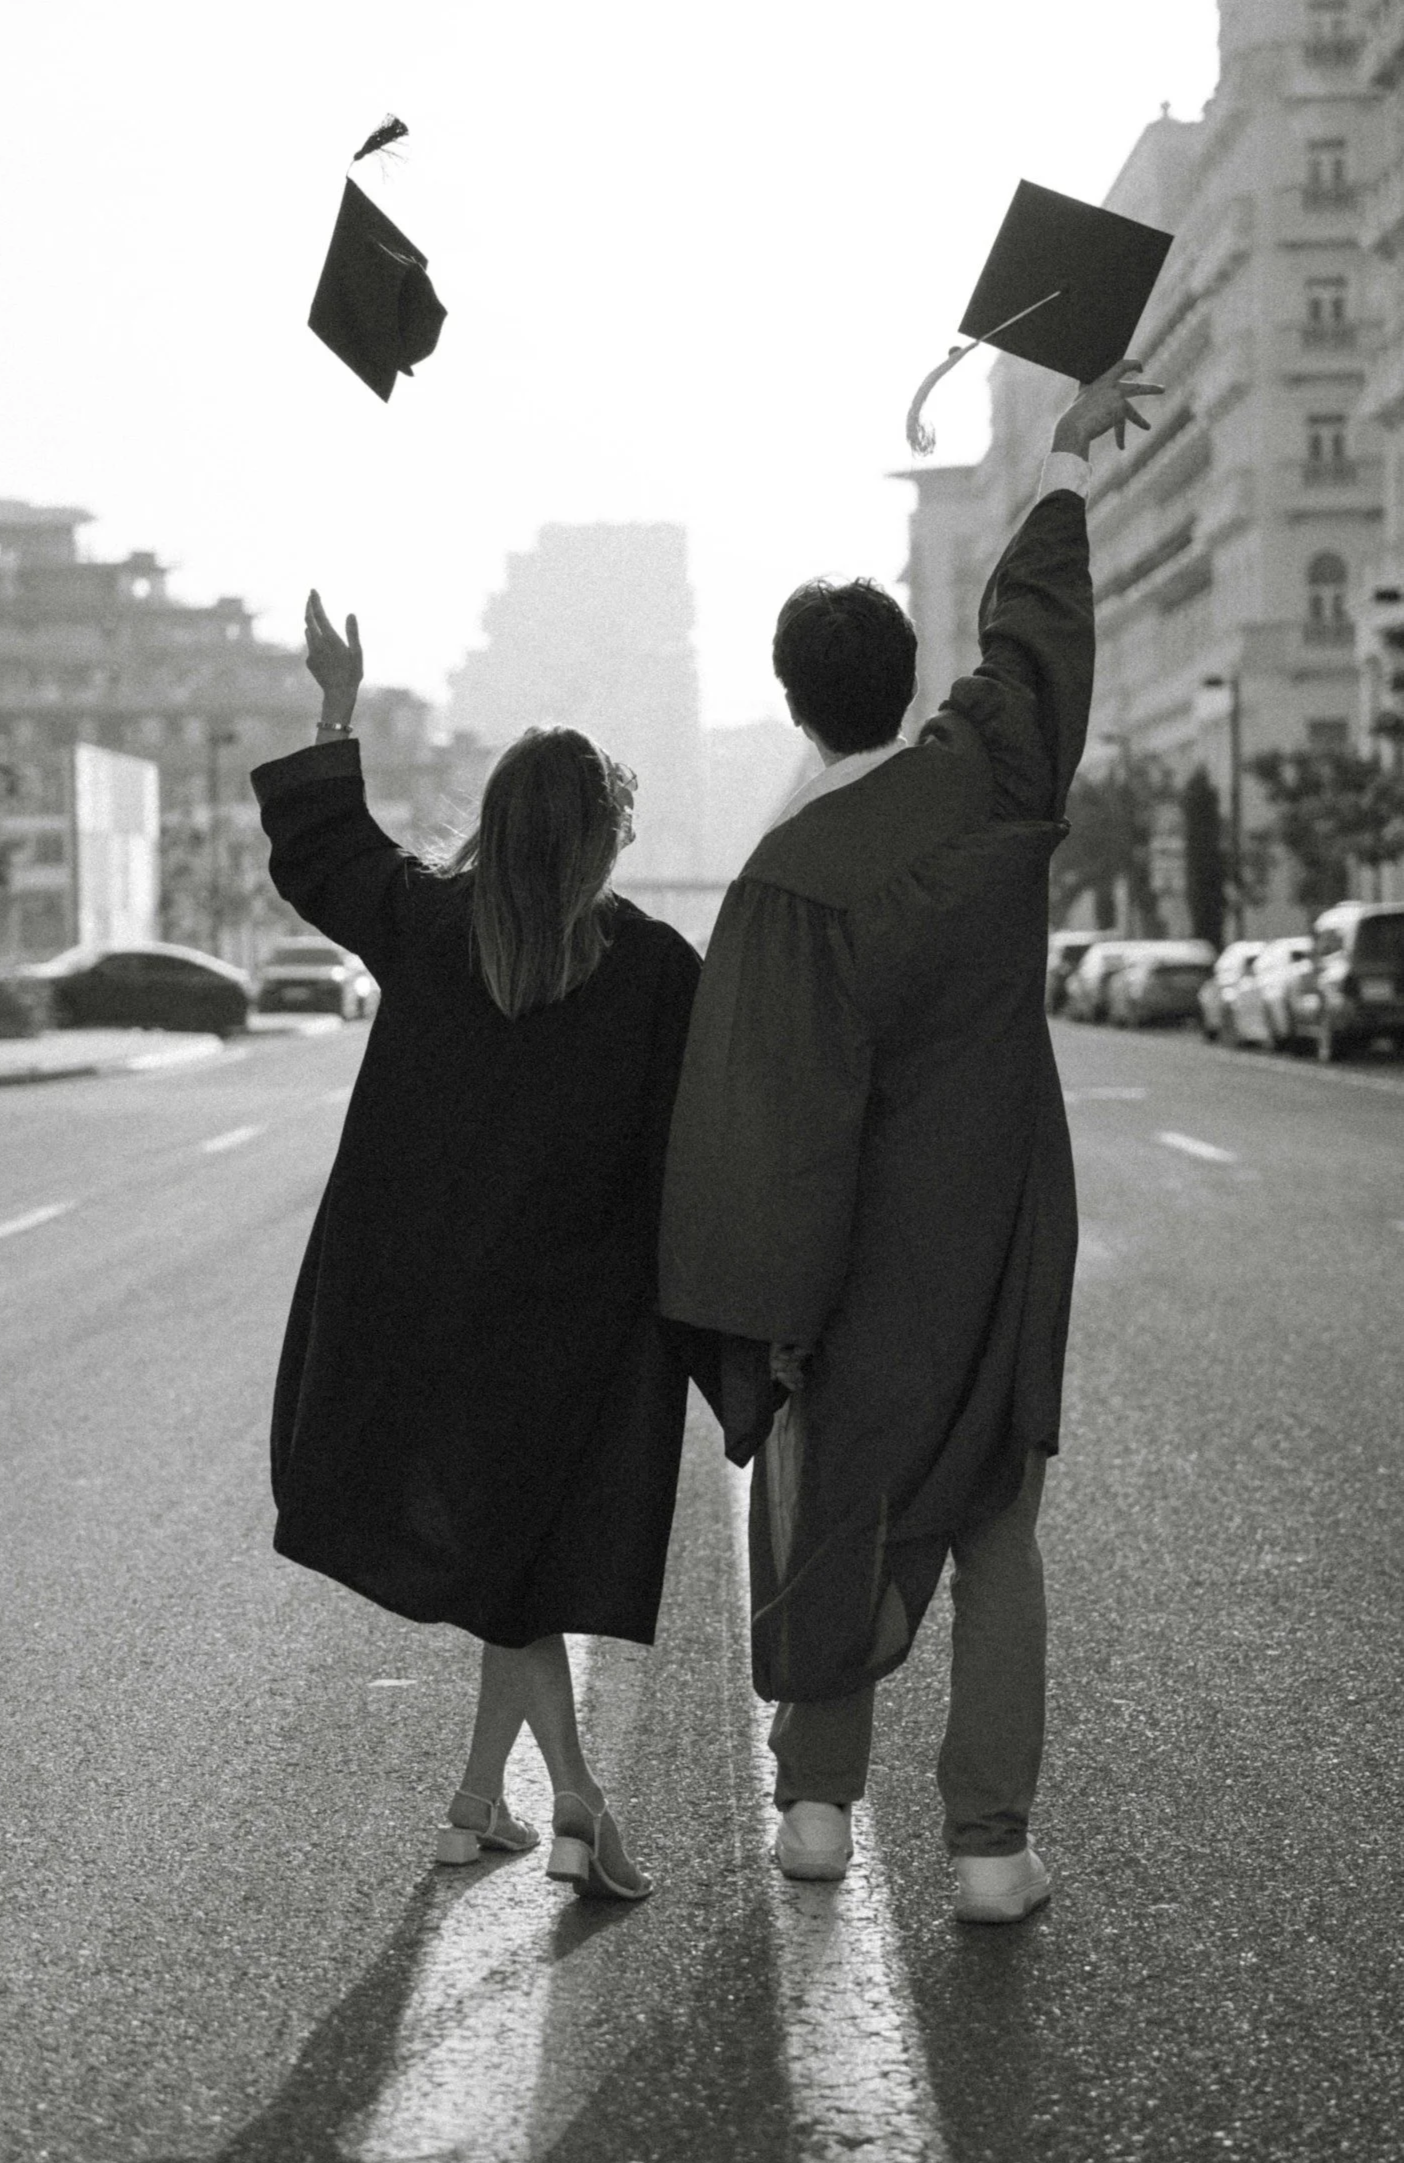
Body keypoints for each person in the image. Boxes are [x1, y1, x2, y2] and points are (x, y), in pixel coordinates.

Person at [658, 360, 1163, 1918]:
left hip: (859, 1261)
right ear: (902, 674)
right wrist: (1066, 465)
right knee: (996, 1525)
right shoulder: (988, 784)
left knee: (840, 1513)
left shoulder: (786, 877)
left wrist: (773, 1325)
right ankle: (991, 1848)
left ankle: (816, 1811)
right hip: (1002, 1227)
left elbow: (770, 1121)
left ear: (796, 698)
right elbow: (1031, 648)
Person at [251, 592, 706, 1901]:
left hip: (425, 1309)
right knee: (522, 1573)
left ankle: (478, 1805)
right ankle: (573, 1805)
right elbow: (692, 1149)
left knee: (519, 1569)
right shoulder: (654, 971)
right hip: (571, 1330)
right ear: (610, 838)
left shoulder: (430, 930)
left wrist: (338, 703)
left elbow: (326, 850)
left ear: (496, 827)